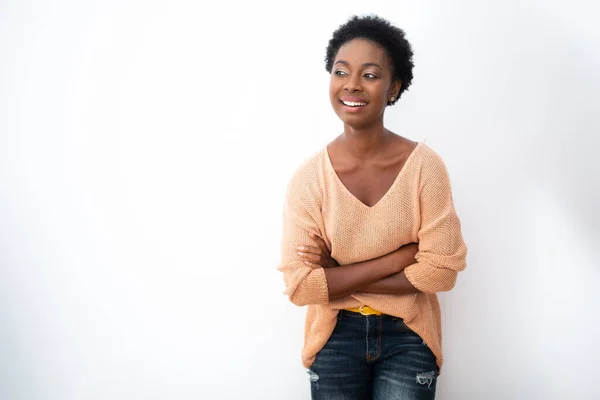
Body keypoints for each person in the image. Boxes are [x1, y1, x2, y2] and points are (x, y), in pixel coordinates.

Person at [277, 14, 467, 400]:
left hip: (409, 335)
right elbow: (300, 286)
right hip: (333, 337)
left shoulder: (425, 167)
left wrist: (336, 275)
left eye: (370, 74)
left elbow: (440, 274)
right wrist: (395, 260)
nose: (351, 84)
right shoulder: (309, 180)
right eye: (341, 71)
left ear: (393, 88)